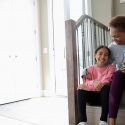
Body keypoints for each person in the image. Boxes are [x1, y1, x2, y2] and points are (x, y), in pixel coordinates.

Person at [77, 45, 116, 125]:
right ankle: (82, 121)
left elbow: (108, 80)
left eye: (106, 55)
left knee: (106, 87)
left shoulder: (111, 67)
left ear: (108, 57)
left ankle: (103, 121)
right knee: (80, 88)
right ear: (95, 55)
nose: (103, 56)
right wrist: (94, 83)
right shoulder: (90, 68)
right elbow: (86, 82)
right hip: (92, 98)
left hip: (104, 98)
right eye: (100, 54)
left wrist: (93, 86)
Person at [108, 16, 125, 125]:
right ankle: (112, 120)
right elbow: (106, 65)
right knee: (117, 75)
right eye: (112, 36)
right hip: (121, 76)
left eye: (117, 36)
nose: (114, 39)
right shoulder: (112, 47)